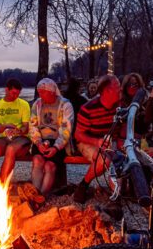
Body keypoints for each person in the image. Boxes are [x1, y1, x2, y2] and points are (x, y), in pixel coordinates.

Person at [73, 74, 122, 204]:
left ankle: (116, 195)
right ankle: (84, 184)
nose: (121, 90)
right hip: (88, 141)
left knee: (120, 161)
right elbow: (78, 135)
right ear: (107, 91)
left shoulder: (119, 107)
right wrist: (97, 142)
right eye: (117, 87)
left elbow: (122, 129)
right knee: (104, 160)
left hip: (111, 142)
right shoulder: (88, 109)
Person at [28, 78, 74, 196]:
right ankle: (35, 194)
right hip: (40, 139)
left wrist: (56, 147)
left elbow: (66, 129)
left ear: (52, 92)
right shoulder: (37, 104)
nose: (40, 95)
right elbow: (32, 125)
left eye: (43, 92)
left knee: (50, 166)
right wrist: (38, 142)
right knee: (37, 160)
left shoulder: (65, 105)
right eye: (39, 92)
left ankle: (42, 196)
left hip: (59, 141)